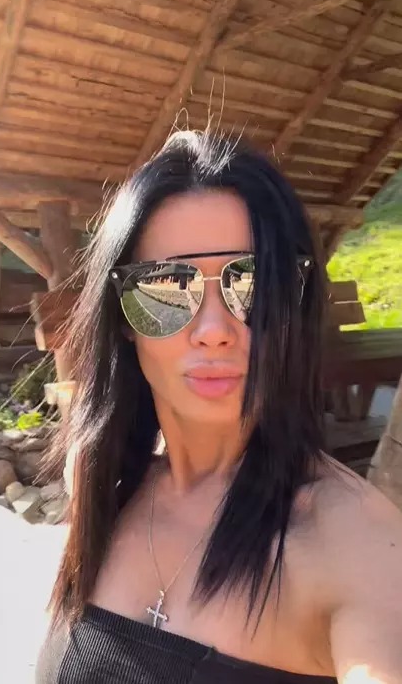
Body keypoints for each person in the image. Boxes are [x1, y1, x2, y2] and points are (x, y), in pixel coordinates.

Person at [36, 130, 402, 684]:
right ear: (123, 317)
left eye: (252, 284)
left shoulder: (355, 544)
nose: (213, 329)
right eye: (166, 286)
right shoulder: (101, 480)